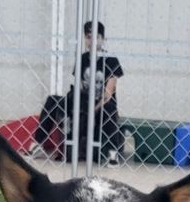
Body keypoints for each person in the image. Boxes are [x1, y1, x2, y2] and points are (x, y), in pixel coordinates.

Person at [28, 20, 124, 165]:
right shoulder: (82, 59)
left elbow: (107, 94)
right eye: (88, 37)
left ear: (103, 39)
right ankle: (38, 143)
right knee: (52, 100)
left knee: (110, 108)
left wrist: (93, 109)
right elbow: (78, 87)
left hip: (101, 106)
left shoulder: (111, 60)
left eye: (96, 37)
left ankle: (112, 154)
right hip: (82, 103)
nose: (92, 41)